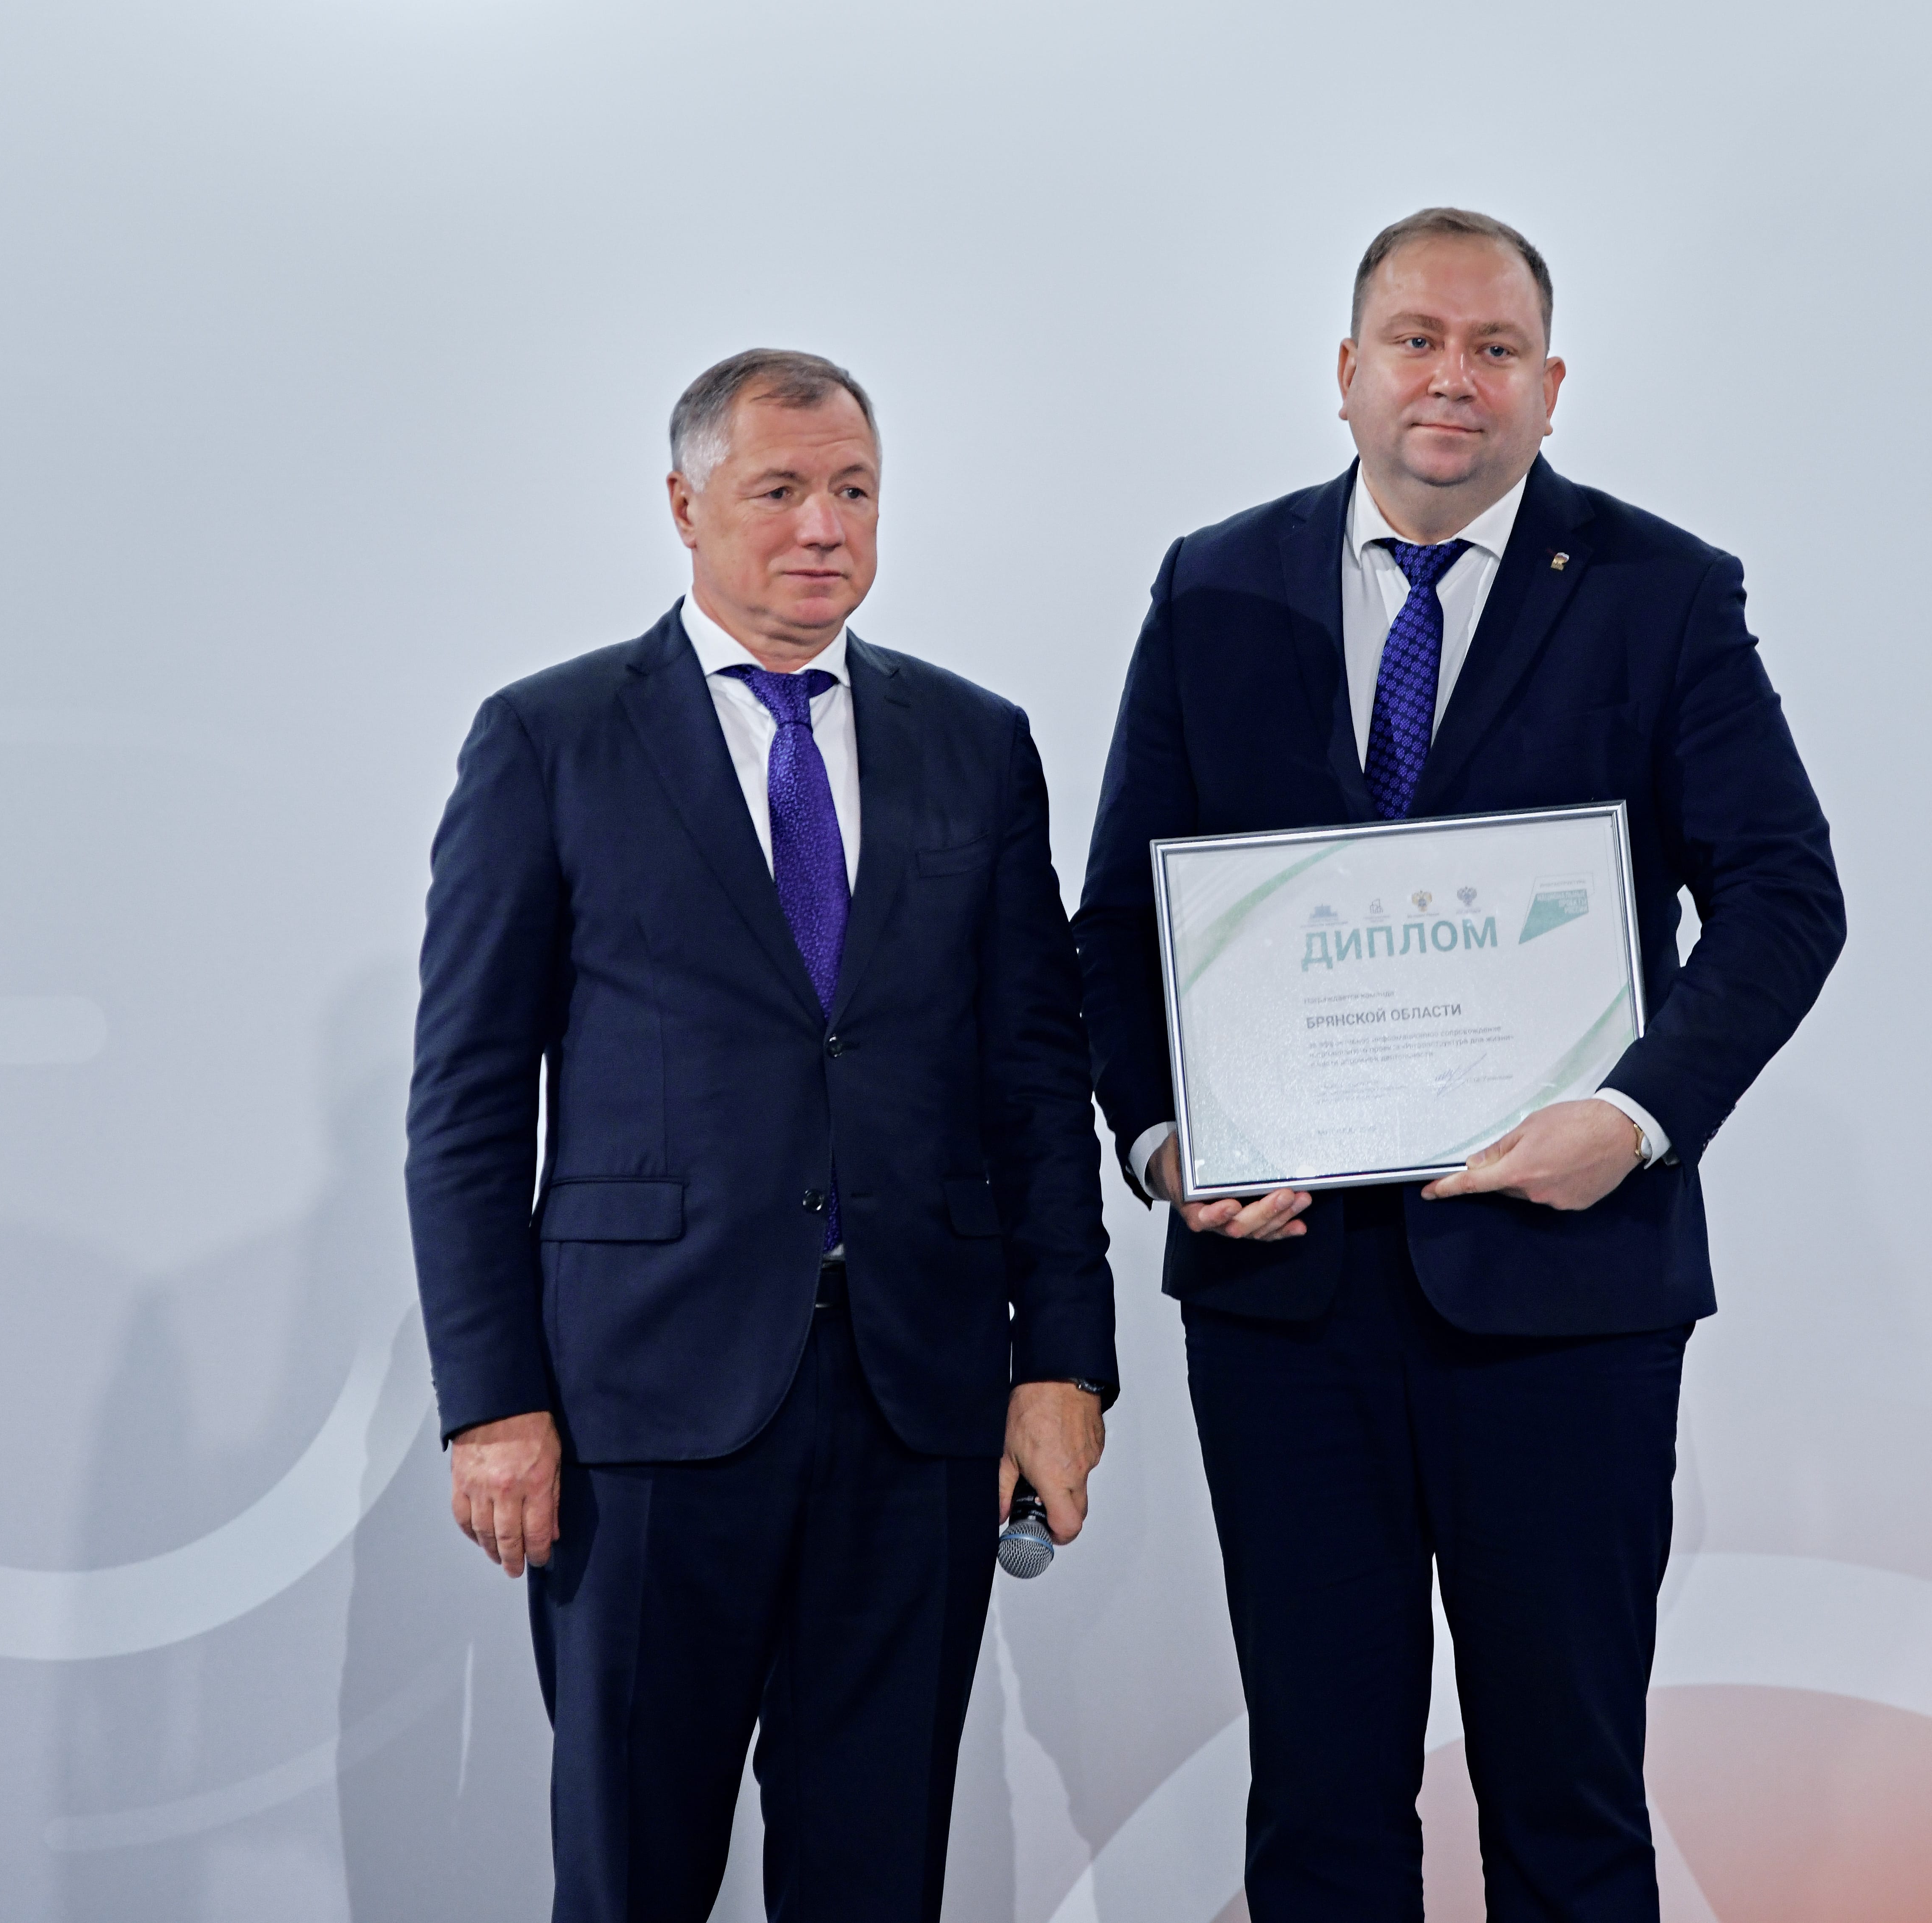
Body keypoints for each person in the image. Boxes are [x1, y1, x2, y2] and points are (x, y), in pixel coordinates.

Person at [1073, 209, 1845, 1921]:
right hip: (1286, 1301)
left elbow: (1787, 899)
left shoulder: (1660, 593)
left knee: (1566, 1801)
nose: (1452, 378)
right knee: (1319, 1802)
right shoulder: (1212, 586)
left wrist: (1632, 1119)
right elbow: (1118, 923)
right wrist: (1166, 1145)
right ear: (1345, 372)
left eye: (1495, 349)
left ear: (1549, 387)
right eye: (1415, 341)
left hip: (1565, 1296)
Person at [407, 348, 1119, 1923]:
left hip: (916, 1402)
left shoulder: (975, 741)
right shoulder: (551, 738)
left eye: (854, 491)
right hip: (645, 1411)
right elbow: (467, 1105)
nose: (823, 527)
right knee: (634, 1873)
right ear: (684, 507)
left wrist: (1065, 1361)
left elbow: (1034, 1078)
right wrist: (494, 1403)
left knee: (877, 1875)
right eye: (780, 490)